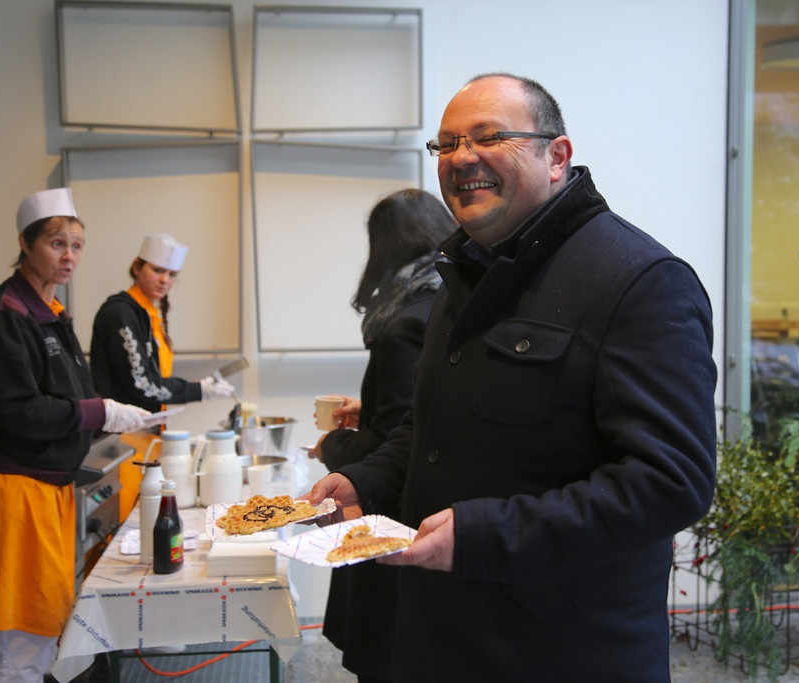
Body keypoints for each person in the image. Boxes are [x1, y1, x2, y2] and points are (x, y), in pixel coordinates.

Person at [307, 73, 718, 682]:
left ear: (558, 156)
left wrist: (486, 535)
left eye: (489, 136)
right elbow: (430, 426)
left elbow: (670, 481)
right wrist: (368, 480)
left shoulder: (640, 280)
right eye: (447, 144)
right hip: (439, 637)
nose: (461, 158)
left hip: (560, 651)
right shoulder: (467, 269)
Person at [0, 187, 161, 682]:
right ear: (25, 243)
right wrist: (99, 411)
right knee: (15, 637)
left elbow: (69, 394)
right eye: (56, 244)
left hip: (43, 485)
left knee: (41, 623)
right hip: (12, 485)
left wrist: (107, 414)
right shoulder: (7, 314)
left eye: (76, 245)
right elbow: (19, 412)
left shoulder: (51, 312)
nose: (69, 256)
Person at [309, 189, 456, 683]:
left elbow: (394, 442)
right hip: (435, 515)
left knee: (387, 655)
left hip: (393, 519)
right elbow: (426, 410)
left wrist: (330, 446)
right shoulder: (449, 303)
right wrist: (369, 408)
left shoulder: (404, 324)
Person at [89, 232, 235, 411]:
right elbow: (141, 383)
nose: (164, 280)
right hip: (125, 424)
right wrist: (198, 390)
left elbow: (155, 377)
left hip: (148, 421)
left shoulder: (149, 316)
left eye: (172, 274)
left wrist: (198, 386)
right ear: (137, 267)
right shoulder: (120, 313)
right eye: (157, 270)